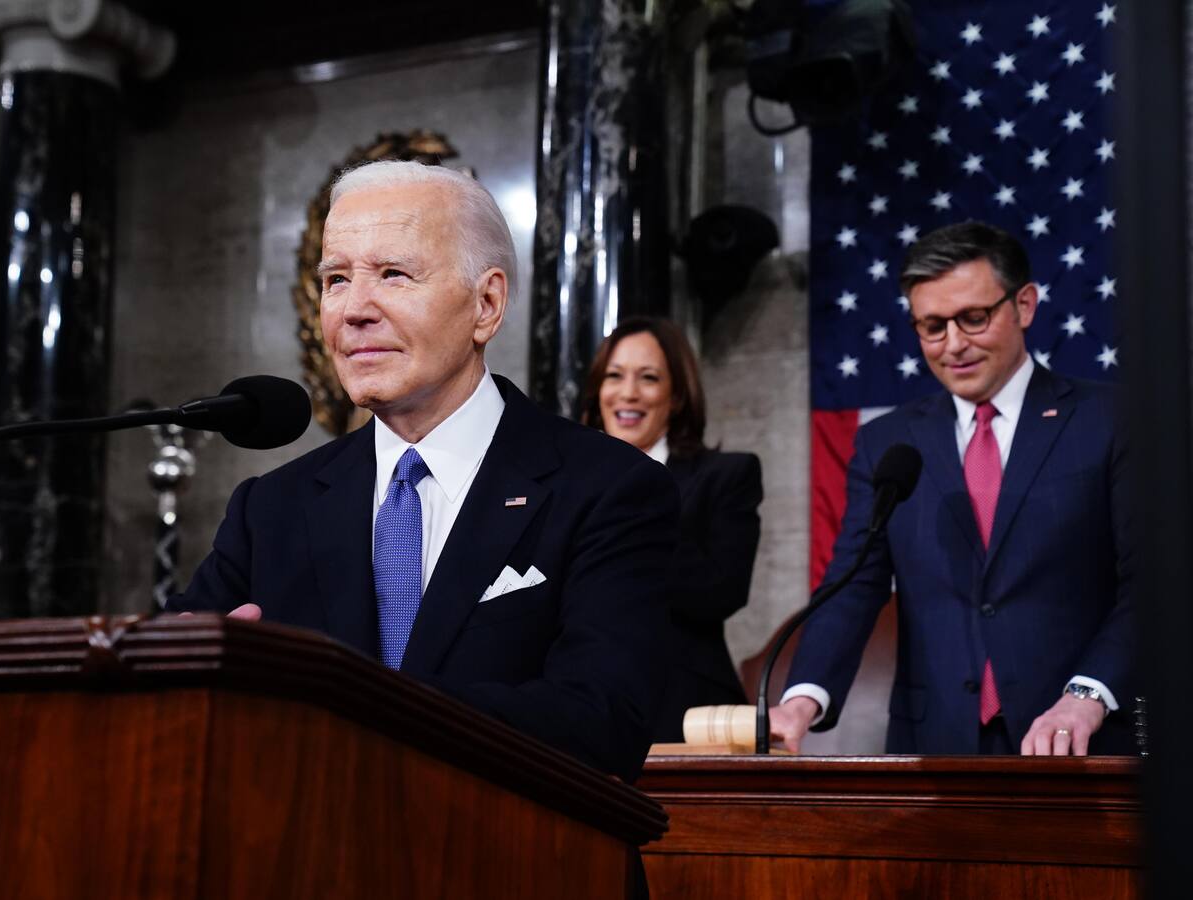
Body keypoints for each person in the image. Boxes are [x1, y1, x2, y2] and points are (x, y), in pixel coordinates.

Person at [168, 160, 680, 783]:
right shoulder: (270, 508)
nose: (354, 309)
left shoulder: (609, 488)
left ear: (486, 304)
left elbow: (602, 721)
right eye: (335, 279)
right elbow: (178, 688)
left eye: (393, 274)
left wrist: (347, 707)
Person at [770, 221, 1134, 756]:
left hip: (1084, 737)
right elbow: (855, 585)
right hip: (937, 746)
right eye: (932, 327)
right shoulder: (887, 444)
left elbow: (1153, 584)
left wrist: (1088, 693)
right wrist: (802, 701)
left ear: (1025, 305)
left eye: (974, 318)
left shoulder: (1110, 419)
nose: (954, 345)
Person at [581, 316, 762, 743]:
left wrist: (637, 497)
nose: (628, 393)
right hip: (577, 704)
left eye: (648, 378)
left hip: (681, 709)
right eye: (614, 377)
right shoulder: (565, 483)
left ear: (676, 395)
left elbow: (722, 592)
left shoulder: (727, 474)